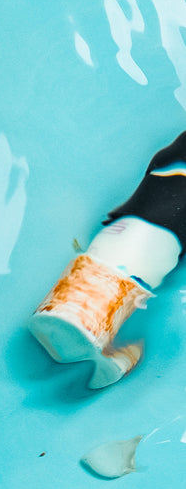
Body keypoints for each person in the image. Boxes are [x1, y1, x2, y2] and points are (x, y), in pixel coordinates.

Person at [29, 133, 186, 387]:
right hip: (152, 245)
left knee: (123, 255)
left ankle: (80, 320)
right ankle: (98, 338)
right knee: (134, 257)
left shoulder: (171, 156)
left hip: (127, 233)